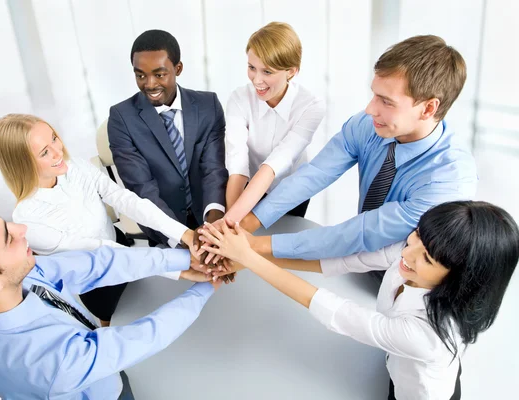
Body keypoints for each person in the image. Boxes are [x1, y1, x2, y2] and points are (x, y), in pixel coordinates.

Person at [200, 201, 519, 399]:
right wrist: (248, 255)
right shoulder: (414, 255)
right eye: (417, 236)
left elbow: (334, 311)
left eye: (426, 258)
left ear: (457, 279)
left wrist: (251, 259)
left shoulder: (428, 337)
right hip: (401, 366)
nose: (406, 254)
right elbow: (343, 262)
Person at [0, 199, 221, 399]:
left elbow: (96, 264)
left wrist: (182, 262)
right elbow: (146, 336)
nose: (22, 228)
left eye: (5, 223)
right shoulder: (51, 363)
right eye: (9, 238)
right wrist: (208, 286)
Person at [238, 35, 478, 264]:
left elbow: (362, 232)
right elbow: (315, 174)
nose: (370, 109)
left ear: (428, 109)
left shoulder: (450, 181)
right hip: (355, 264)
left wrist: (255, 246)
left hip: (408, 285)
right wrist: (246, 222)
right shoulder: (367, 126)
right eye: (375, 94)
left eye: (386, 101)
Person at [0, 113, 213, 327]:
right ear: (22, 164)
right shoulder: (28, 221)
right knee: (111, 321)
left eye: (54, 138)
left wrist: (184, 233)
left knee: (148, 293)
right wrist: (179, 269)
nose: (58, 152)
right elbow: (101, 250)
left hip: (123, 245)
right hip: (98, 281)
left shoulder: (76, 167)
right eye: (45, 152)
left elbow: (125, 200)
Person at [108, 29, 228, 248]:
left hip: (208, 213)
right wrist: (182, 238)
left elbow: (213, 169)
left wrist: (213, 229)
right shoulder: (121, 118)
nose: (149, 84)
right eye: (140, 75)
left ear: (178, 68)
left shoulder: (208, 105)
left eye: (159, 74)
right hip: (162, 224)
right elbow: (142, 187)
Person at [223, 22, 325, 223]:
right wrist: (229, 223)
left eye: (267, 72)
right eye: (252, 68)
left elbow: (277, 162)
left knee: (277, 242)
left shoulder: (311, 106)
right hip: (249, 187)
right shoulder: (239, 99)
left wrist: (229, 226)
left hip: (291, 189)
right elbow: (238, 163)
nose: (257, 80)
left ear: (291, 72)